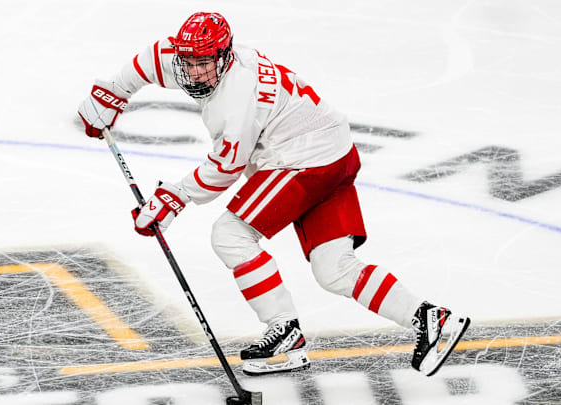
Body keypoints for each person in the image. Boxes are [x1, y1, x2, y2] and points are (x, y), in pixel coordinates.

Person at [77, 11, 470, 377]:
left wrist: (173, 198)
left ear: (225, 57)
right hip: (334, 153)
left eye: (204, 63)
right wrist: (113, 93)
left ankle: (282, 328)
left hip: (305, 161)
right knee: (334, 270)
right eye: (189, 63)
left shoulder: (238, 96)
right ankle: (430, 319)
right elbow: (152, 58)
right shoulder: (193, 56)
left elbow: (227, 167)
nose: (195, 73)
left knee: (230, 234)